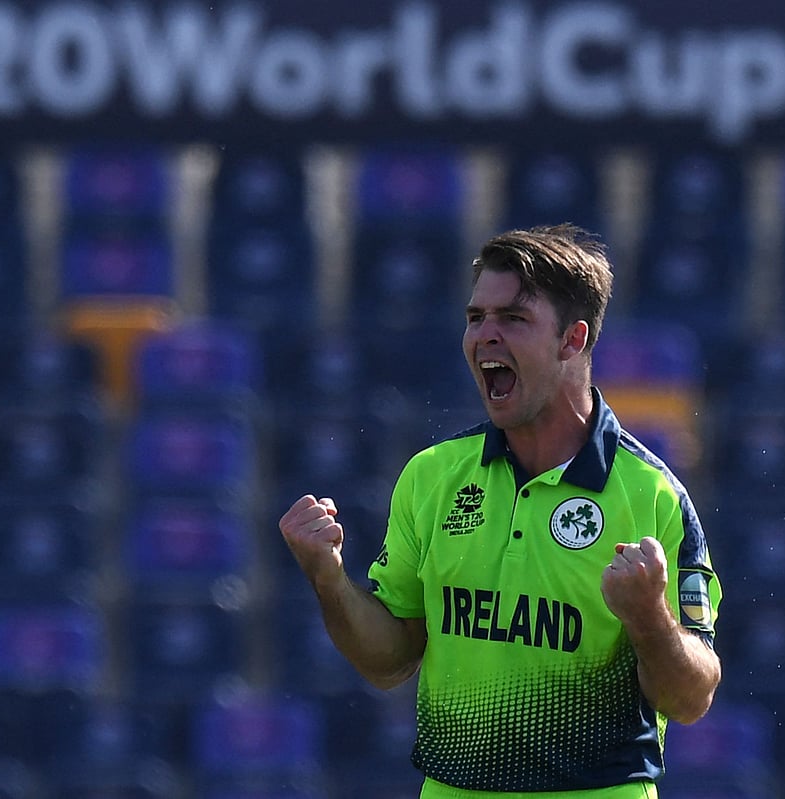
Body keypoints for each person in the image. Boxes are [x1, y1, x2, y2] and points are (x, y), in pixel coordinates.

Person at [279, 223, 722, 798]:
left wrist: (648, 618)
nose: (485, 336)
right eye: (475, 318)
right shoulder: (433, 476)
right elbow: (389, 661)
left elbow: (691, 699)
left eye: (513, 318)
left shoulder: (652, 494)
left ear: (572, 340)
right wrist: (329, 580)